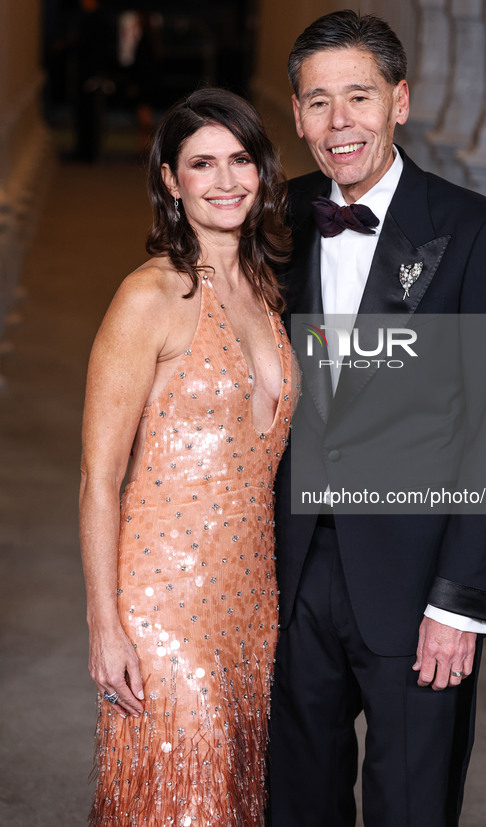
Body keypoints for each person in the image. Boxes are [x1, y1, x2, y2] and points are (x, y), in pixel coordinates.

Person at [268, 10, 486, 827]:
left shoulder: (478, 232)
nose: (338, 122)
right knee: (295, 799)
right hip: (294, 571)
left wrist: (460, 602)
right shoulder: (277, 219)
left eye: (358, 96)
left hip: (419, 583)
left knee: (410, 804)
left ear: (399, 101)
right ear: (297, 114)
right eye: (317, 102)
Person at [79, 87, 294, 826]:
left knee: (234, 794)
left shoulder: (267, 291)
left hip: (250, 601)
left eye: (240, 159)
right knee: (180, 798)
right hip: (163, 607)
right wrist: (106, 627)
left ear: (261, 170)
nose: (226, 180)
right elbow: (97, 479)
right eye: (202, 164)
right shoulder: (151, 296)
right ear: (171, 180)